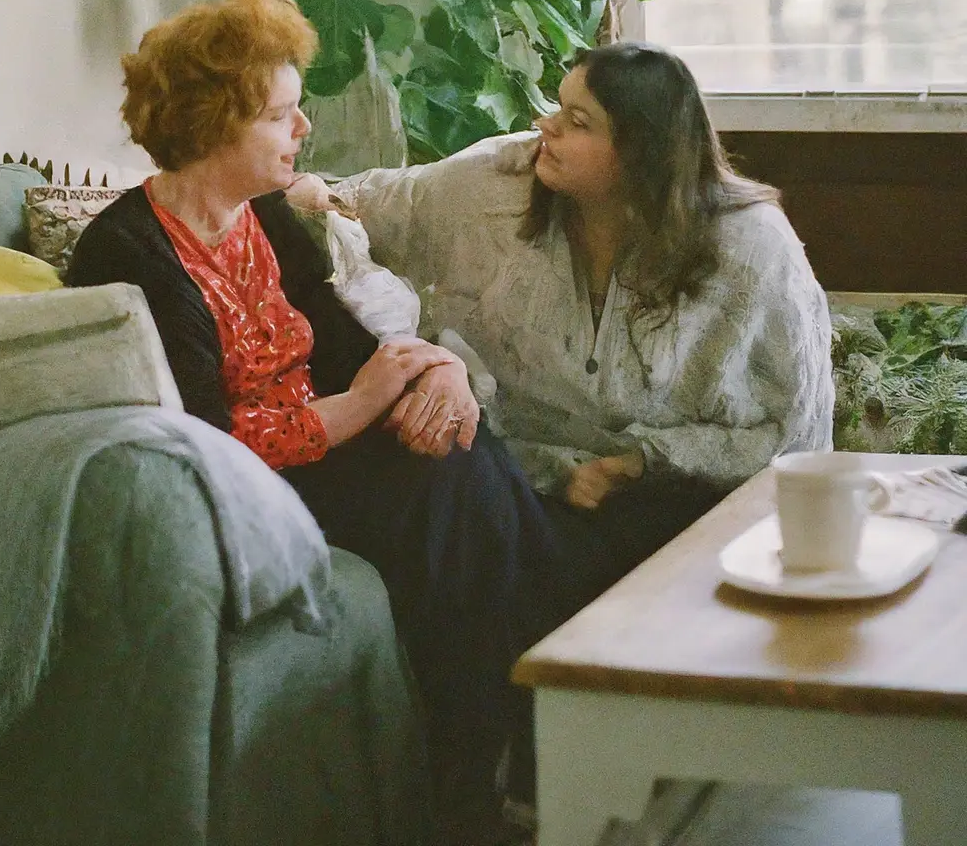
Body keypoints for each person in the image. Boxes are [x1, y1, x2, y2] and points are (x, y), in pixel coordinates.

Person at [66, 0, 566, 846]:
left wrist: (433, 369)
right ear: (212, 126)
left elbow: (345, 346)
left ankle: (512, 752)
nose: (303, 133)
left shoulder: (264, 217)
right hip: (242, 486)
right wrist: (370, 400)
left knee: (464, 445)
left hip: (316, 443)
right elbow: (202, 441)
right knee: (449, 490)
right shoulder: (128, 254)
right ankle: (492, 766)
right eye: (280, 116)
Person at [299, 40, 835, 612]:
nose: (545, 127)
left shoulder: (752, 249)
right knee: (439, 477)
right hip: (530, 492)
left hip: (690, 506)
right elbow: (364, 203)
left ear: (641, 152)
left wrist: (641, 464)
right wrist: (302, 195)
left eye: (577, 122)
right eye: (558, 107)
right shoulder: (501, 182)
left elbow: (795, 435)